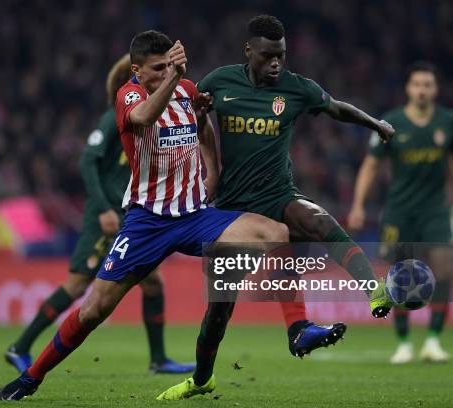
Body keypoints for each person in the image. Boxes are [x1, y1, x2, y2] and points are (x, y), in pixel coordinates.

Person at [0, 30, 290, 401]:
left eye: (170, 65)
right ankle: (29, 380)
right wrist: (172, 78)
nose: (168, 72)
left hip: (195, 215)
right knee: (93, 310)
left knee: (276, 232)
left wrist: (212, 168)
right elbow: (146, 117)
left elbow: (201, 127)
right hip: (147, 222)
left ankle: (290, 327)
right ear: (137, 70)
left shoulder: (186, 89)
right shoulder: (129, 96)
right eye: (158, 68)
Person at [158, 15, 396, 400]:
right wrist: (197, 121)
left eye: (281, 56)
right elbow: (188, 114)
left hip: (278, 196)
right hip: (233, 214)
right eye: (269, 56)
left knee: (317, 221)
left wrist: (377, 125)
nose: (276, 63)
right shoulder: (220, 82)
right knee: (218, 312)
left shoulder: (295, 88)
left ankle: (372, 290)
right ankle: (201, 379)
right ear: (248, 51)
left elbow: (337, 108)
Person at [4, 54, 195, 375]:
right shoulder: (113, 117)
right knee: (78, 285)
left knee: (153, 284)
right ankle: (19, 347)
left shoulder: (151, 117)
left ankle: (159, 359)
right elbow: (86, 160)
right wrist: (104, 208)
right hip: (104, 216)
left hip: (127, 215)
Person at [348, 61, 452, 364]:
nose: (422, 90)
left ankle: (433, 340)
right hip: (400, 211)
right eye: (417, 84)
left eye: (427, 85)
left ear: (435, 90)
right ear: (408, 88)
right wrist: (357, 204)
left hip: (435, 209)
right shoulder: (392, 122)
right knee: (401, 276)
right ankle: (404, 343)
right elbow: (371, 164)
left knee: (445, 270)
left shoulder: (447, 122)